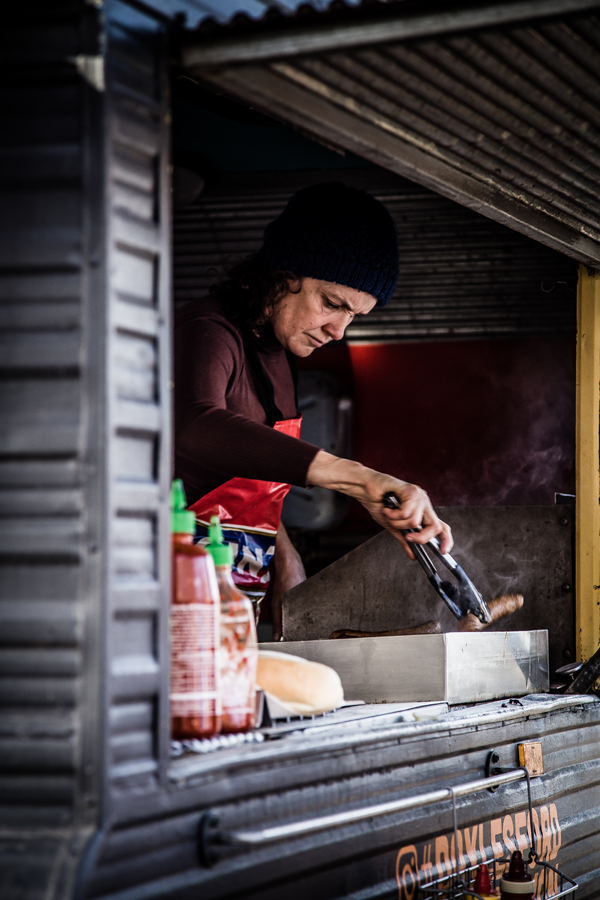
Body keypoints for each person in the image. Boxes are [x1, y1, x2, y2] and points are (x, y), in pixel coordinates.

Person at [174, 182, 452, 639]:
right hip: (167, 600)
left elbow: (244, 477)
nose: (338, 330)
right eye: (331, 303)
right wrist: (361, 479)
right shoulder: (208, 330)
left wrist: (284, 556)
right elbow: (196, 427)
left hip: (230, 609)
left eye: (354, 316)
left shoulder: (281, 358)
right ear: (284, 275)